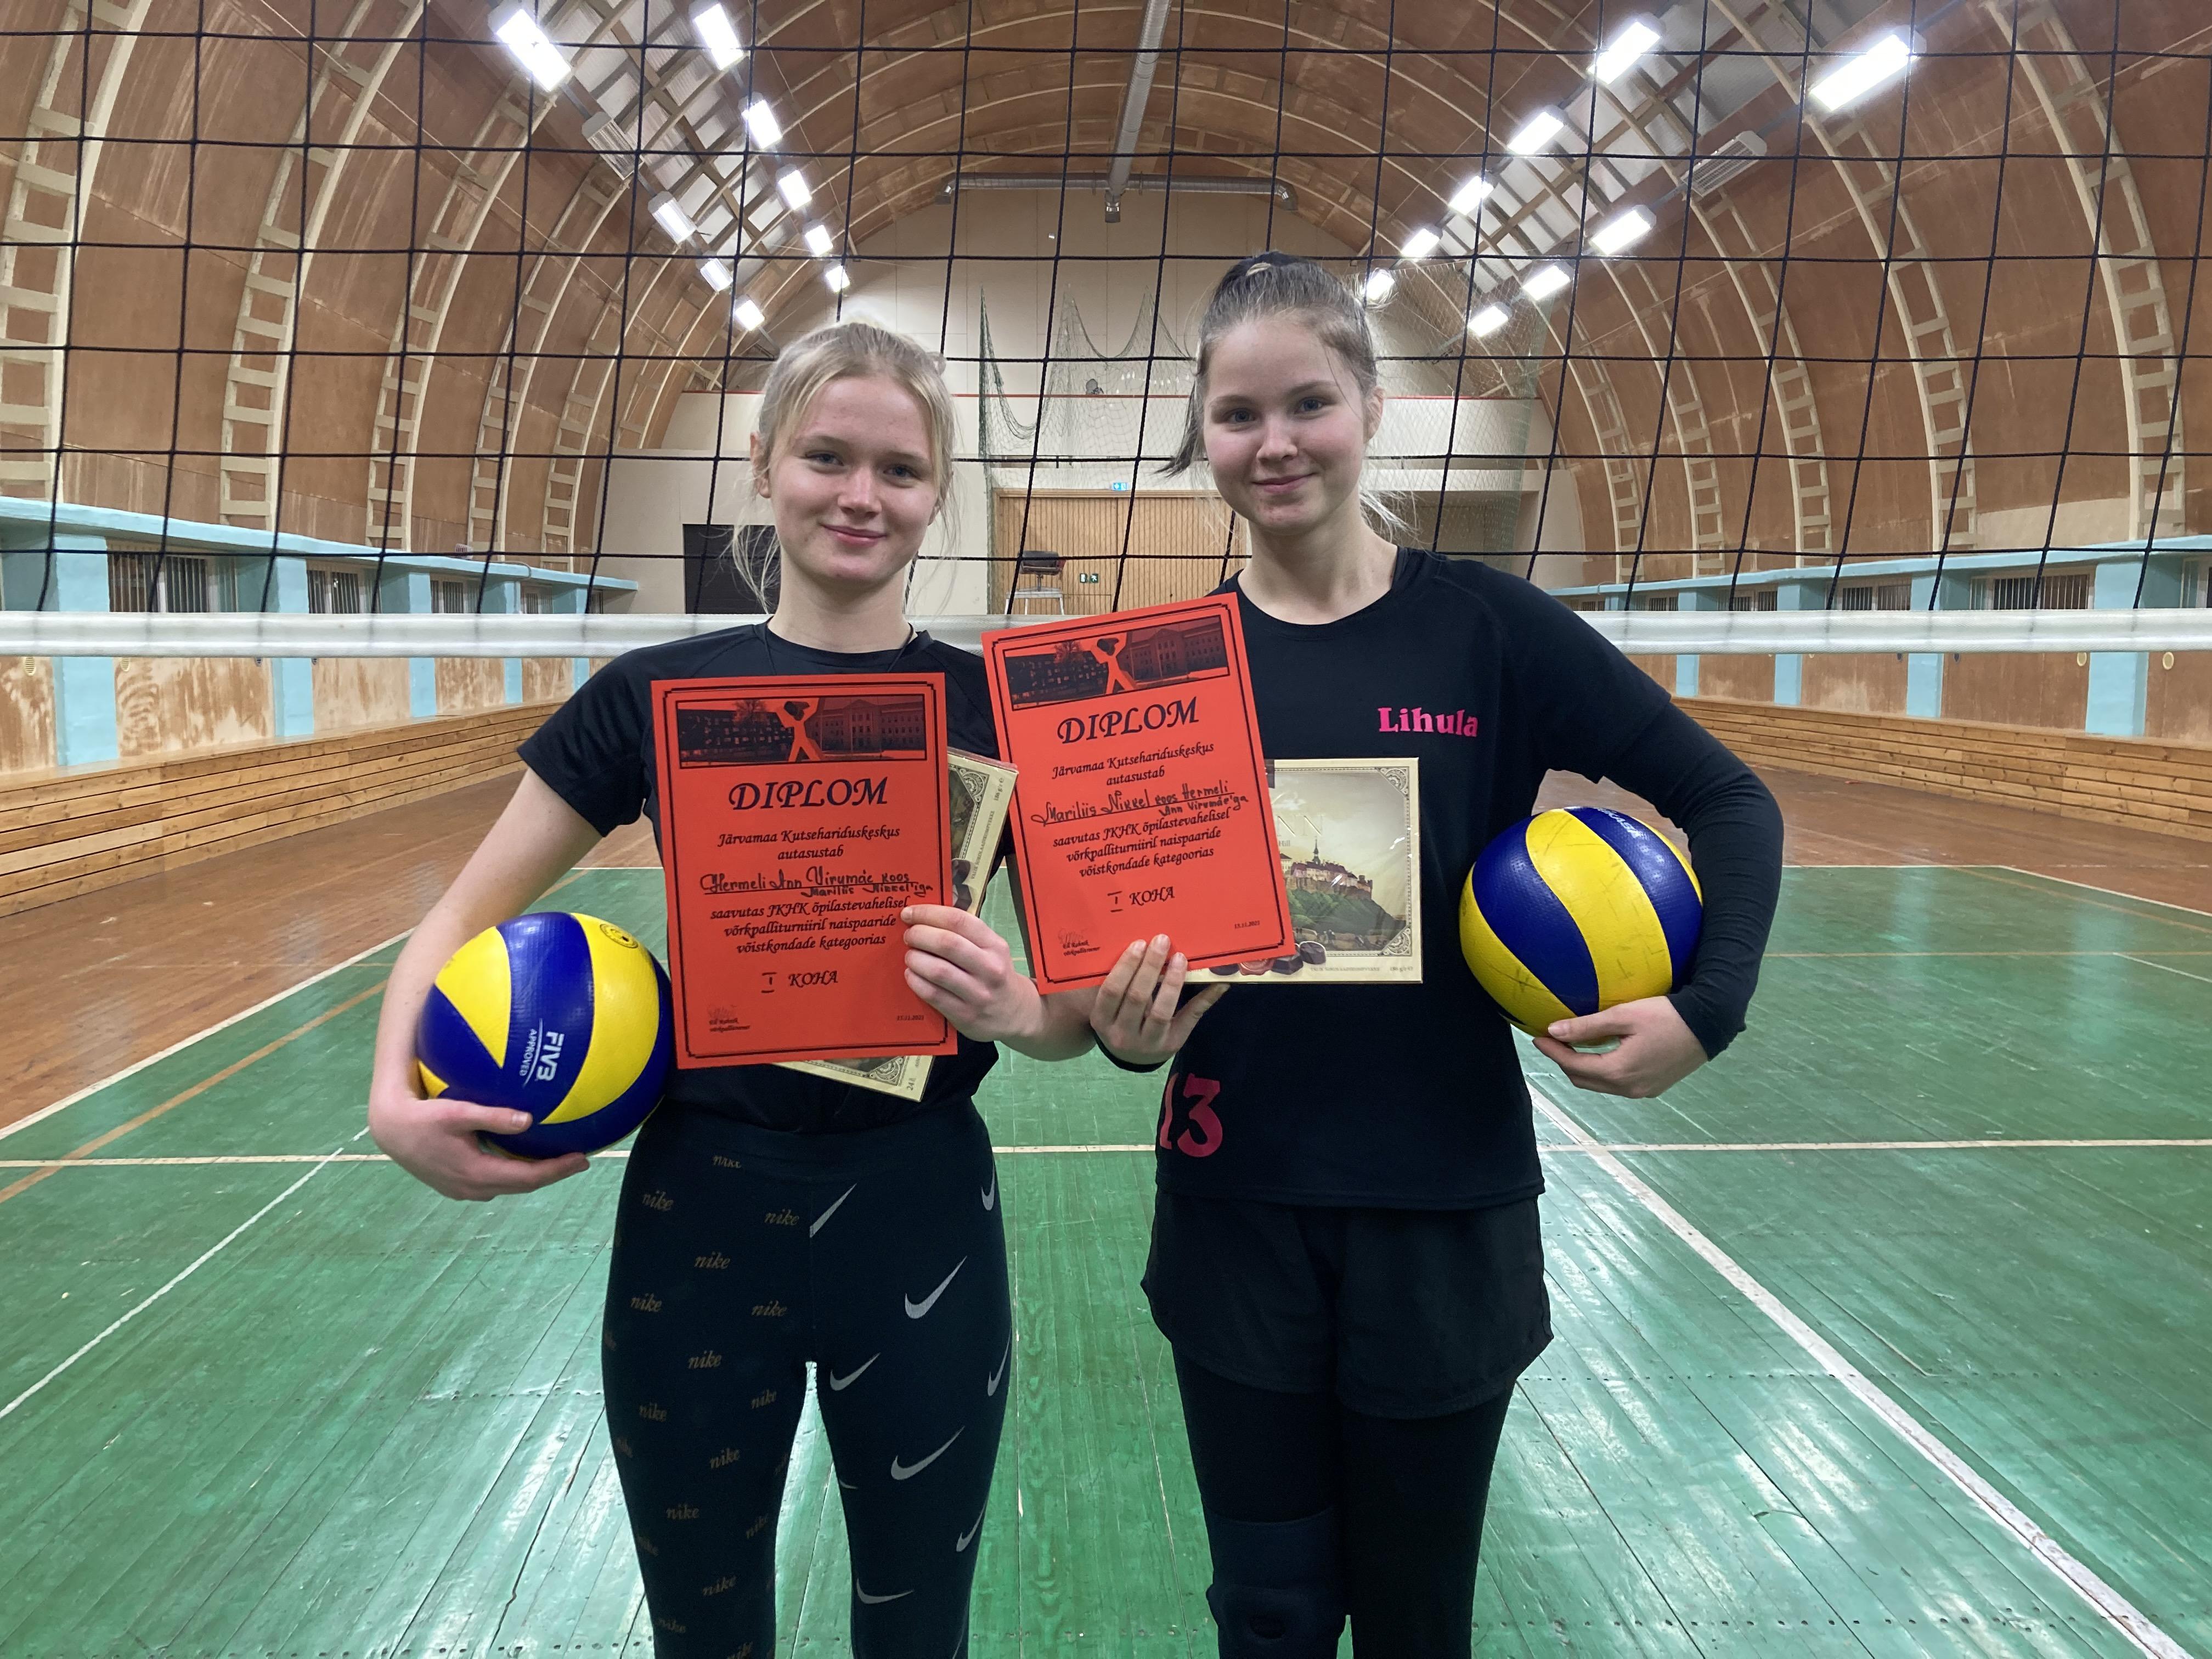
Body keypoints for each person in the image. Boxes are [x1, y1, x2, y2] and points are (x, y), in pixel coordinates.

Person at [1087, 252, 1784, 1657]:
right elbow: (1111, 944)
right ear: (1202, 433)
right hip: (1237, 1207)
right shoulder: (1157, 670)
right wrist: (1122, 1026)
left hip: (1442, 1209)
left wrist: (1707, 1012)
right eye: (1237, 414)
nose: (1275, 443)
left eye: (1307, 403)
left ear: (1371, 405)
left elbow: (1730, 800)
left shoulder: (1487, 629)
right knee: (1269, 1613)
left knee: (1418, 1624)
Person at [366, 321, 1096, 1657]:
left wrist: (1018, 1012)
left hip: (921, 1204)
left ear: (937, 493)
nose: (860, 496)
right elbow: (462, 917)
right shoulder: (651, 696)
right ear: (763, 465)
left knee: (917, 1629)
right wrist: (390, 1100)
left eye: (900, 469)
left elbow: (1074, 1023)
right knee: (703, 1634)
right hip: (699, 1208)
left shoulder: (996, 709)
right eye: (826, 457)